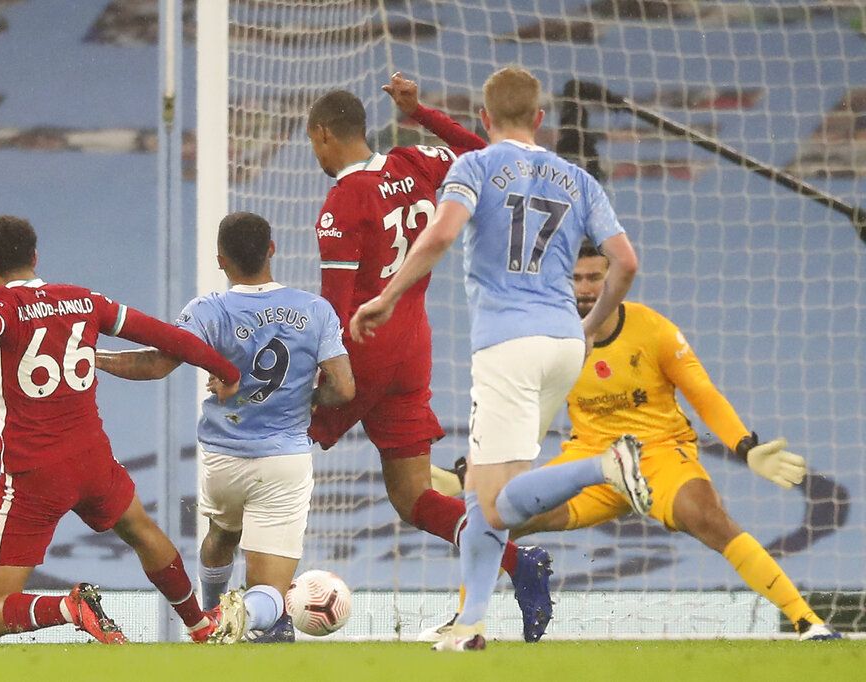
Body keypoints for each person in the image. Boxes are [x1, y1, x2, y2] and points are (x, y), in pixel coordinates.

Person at [350, 66, 651, 651]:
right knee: (484, 495)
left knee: (493, 500)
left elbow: (438, 236)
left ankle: (606, 467)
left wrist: (387, 296)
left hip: (508, 348)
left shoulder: (476, 166)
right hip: (563, 343)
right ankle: (471, 625)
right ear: (540, 120)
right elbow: (626, 262)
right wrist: (590, 323)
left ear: (485, 119)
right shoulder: (578, 179)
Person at [0, 215, 241, 644]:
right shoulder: (84, 301)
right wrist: (225, 370)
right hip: (94, 461)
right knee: (143, 533)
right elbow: (168, 336)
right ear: (35, 256)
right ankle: (199, 623)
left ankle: (69, 607)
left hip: (35, 473)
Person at [432, 242, 841, 641]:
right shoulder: (551, 340)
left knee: (709, 518)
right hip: (590, 460)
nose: (585, 287)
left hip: (659, 454)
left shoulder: (653, 330)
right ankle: (466, 623)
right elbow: (526, 414)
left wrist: (745, 446)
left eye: (594, 276)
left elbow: (703, 394)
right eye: (575, 278)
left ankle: (807, 622)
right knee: (494, 514)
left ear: (613, 280)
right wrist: (474, 469)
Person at [305, 78, 554, 641]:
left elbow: (333, 309)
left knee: (275, 447)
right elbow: (483, 154)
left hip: (365, 346)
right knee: (413, 496)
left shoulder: (343, 201)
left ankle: (263, 606)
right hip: (414, 341)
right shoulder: (415, 161)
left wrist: (318, 378)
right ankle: (521, 563)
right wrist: (422, 114)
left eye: (314, 143)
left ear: (324, 135)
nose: (316, 155)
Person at [96, 212, 355, 644]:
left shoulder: (207, 310)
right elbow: (344, 388)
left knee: (221, 533)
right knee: (270, 597)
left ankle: (208, 613)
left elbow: (156, 364)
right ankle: (230, 620)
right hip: (283, 460)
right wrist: (307, 397)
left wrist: (94, 356)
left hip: (223, 459)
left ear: (220, 260)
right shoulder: (315, 310)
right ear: (272, 249)